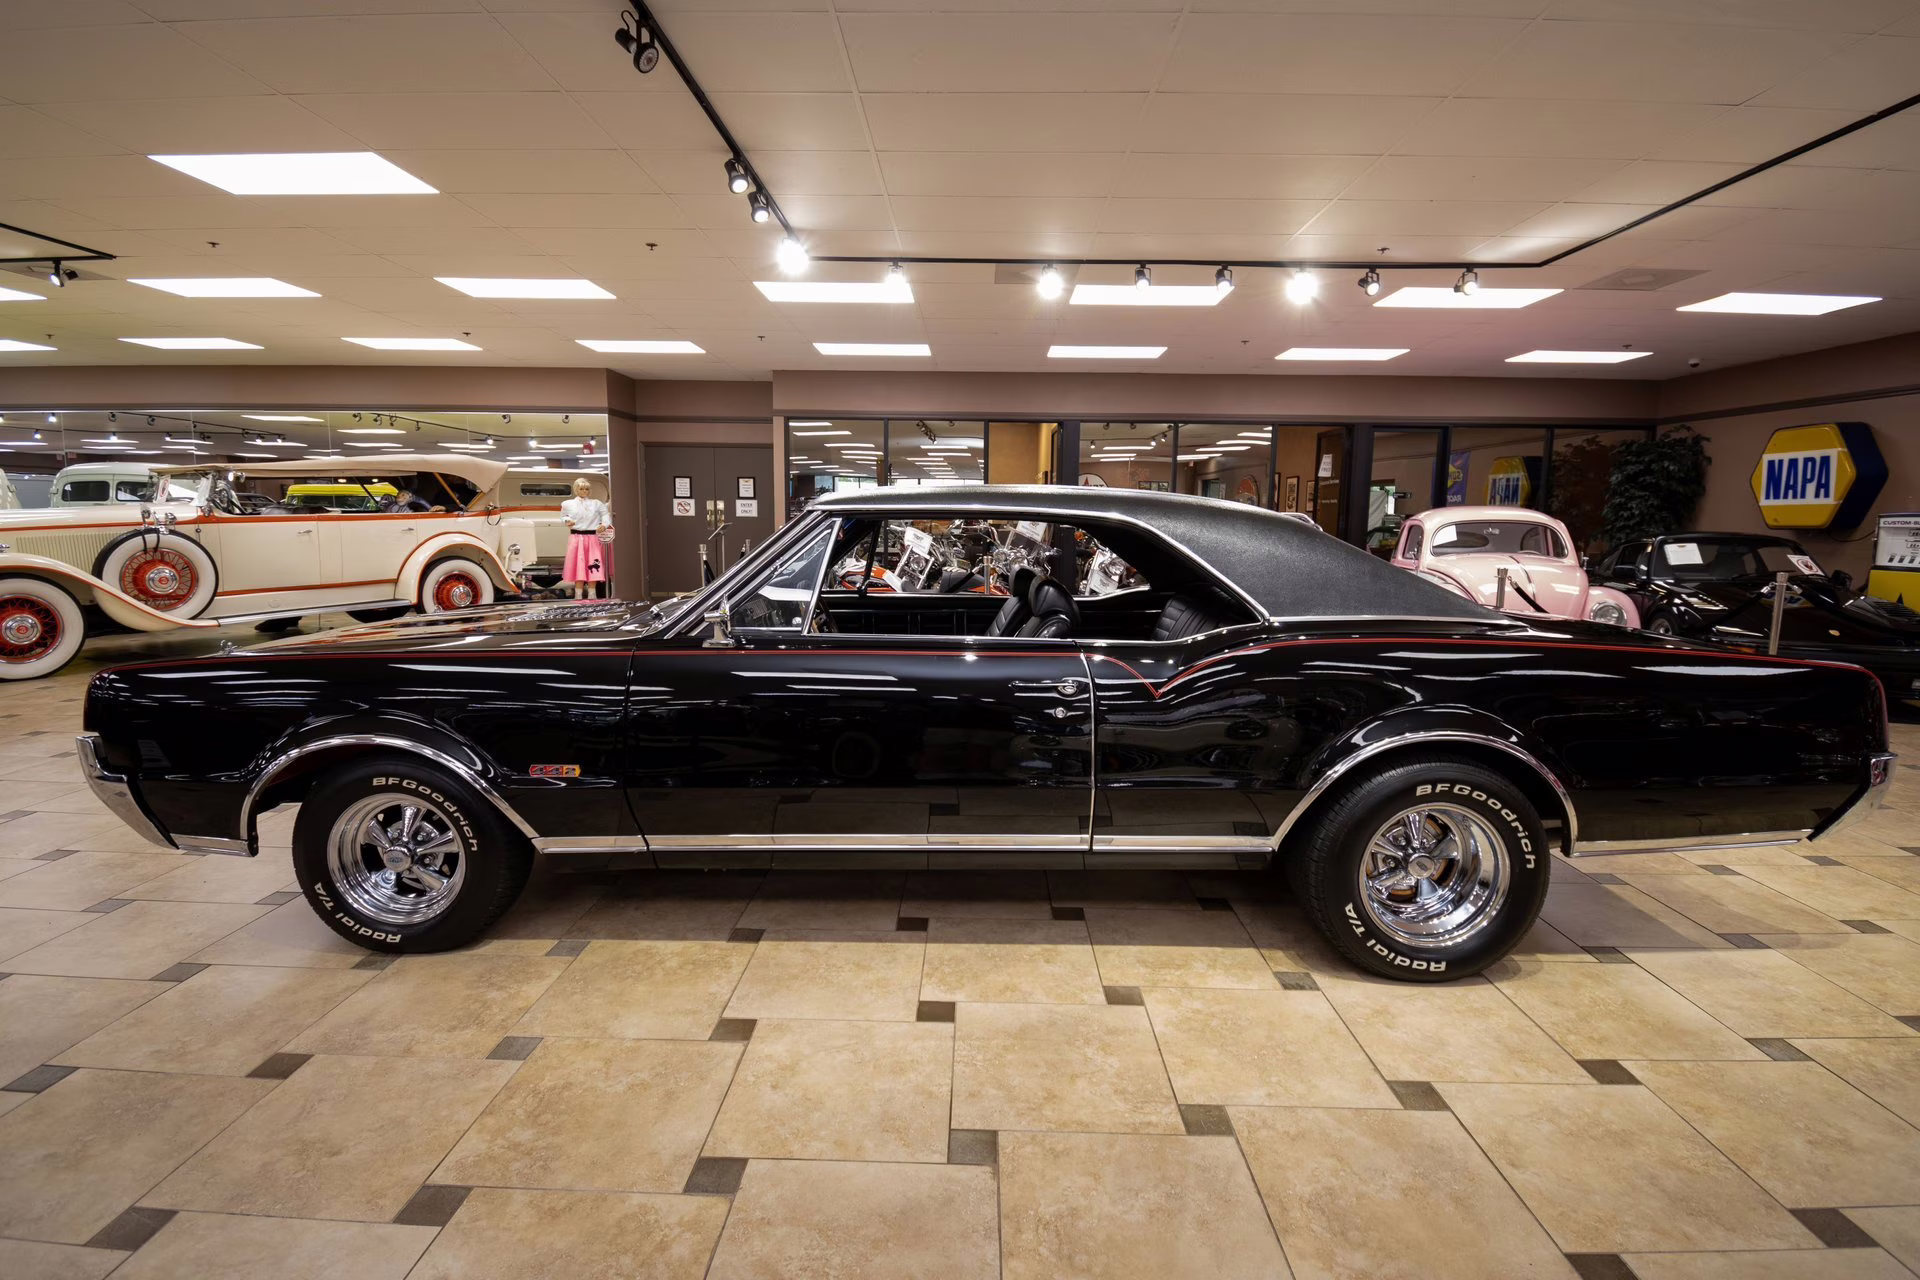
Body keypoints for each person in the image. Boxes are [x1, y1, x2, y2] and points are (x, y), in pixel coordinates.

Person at [560, 476, 612, 599]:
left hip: (593, 538)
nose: (584, 491)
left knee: (593, 564)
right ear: (576, 490)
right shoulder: (568, 504)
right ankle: (578, 593)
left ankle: (592, 592)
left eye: (586, 489)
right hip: (576, 537)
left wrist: (604, 525)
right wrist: (567, 520)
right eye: (582, 489)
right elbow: (563, 516)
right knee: (578, 565)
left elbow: (606, 514)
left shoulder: (596, 504)